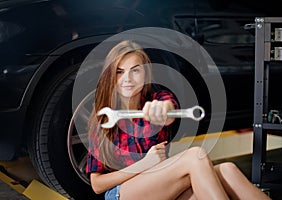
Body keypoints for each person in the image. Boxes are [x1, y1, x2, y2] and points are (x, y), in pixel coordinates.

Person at [86, 40, 271, 200]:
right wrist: (144, 165)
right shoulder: (104, 117)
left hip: (161, 187)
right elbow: (97, 184)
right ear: (111, 75)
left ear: (146, 74)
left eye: (135, 71)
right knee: (193, 157)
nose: (127, 79)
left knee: (227, 170)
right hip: (121, 194)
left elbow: (168, 108)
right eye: (119, 71)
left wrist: (163, 111)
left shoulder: (158, 99)